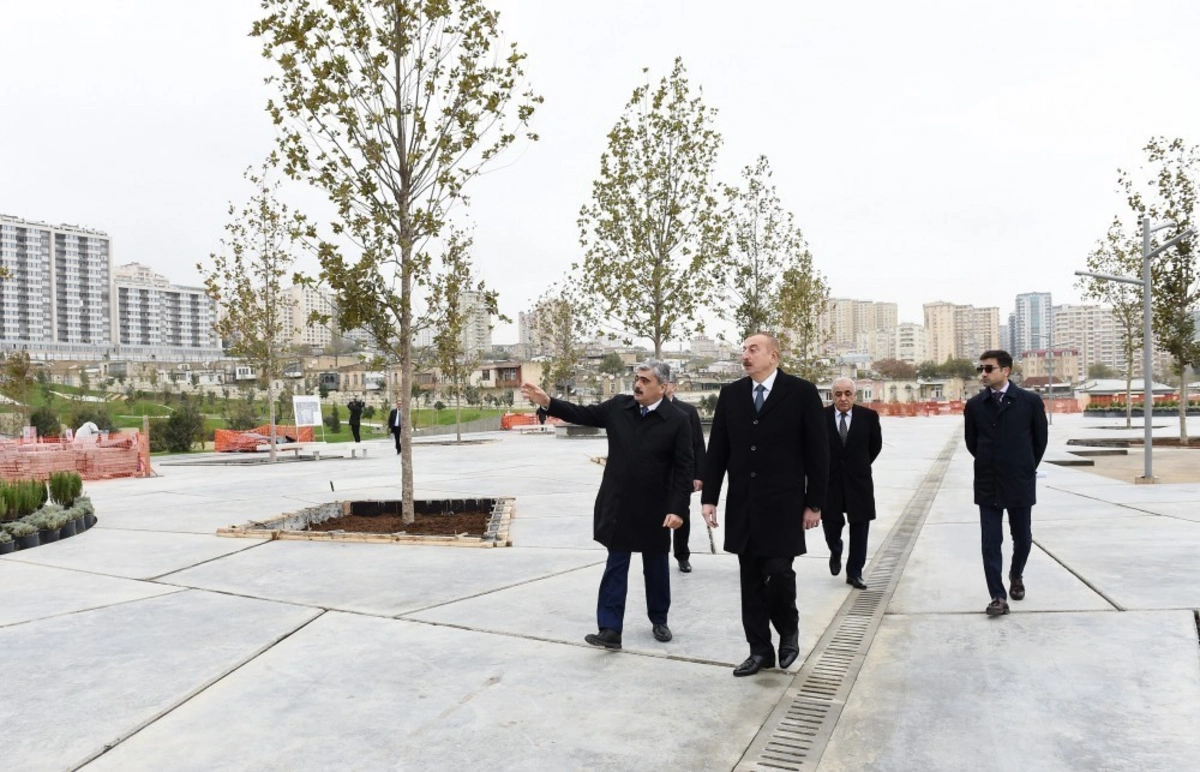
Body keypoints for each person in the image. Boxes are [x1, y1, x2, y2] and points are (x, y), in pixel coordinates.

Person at [521, 360, 693, 650]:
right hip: (620, 503)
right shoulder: (618, 407)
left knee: (656, 567)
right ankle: (610, 629)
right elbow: (583, 413)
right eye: (637, 378)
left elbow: (684, 468)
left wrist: (677, 508)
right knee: (616, 565)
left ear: (663, 387)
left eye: (646, 381)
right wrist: (548, 402)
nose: (638, 384)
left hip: (656, 507)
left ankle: (659, 619)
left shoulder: (677, 419)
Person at [702, 333, 829, 677]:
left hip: (784, 504)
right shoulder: (731, 395)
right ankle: (759, 651)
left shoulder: (801, 393)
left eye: (753, 349)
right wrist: (709, 497)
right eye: (743, 350)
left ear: (773, 356)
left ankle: (788, 628)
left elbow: (818, 453)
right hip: (744, 504)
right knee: (751, 580)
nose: (746, 355)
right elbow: (718, 450)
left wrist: (815, 503)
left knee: (779, 572)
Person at [964, 349, 1048, 617]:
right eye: (981, 369)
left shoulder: (1029, 401)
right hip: (988, 481)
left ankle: (1016, 574)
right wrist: (990, 461)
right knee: (990, 541)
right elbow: (972, 442)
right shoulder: (975, 405)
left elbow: (1040, 441)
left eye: (988, 368)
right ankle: (997, 597)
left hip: (1019, 481)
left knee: (1022, 537)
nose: (983, 374)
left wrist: (1024, 466)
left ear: (1006, 370)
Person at [823, 377, 883, 591]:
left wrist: (859, 465)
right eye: (838, 394)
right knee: (830, 524)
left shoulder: (868, 417)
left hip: (858, 482)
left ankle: (854, 572)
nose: (843, 398)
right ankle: (835, 548)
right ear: (832, 396)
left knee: (860, 527)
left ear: (854, 395)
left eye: (848, 393)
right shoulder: (821, 417)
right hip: (830, 482)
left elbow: (875, 446)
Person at [664, 378, 705, 573]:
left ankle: (682, 556)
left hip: (682, 473)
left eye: (667, 382)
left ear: (673, 386)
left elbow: (698, 444)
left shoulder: (688, 411)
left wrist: (699, 475)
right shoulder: (647, 409)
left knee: (682, 514)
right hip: (656, 474)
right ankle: (658, 554)